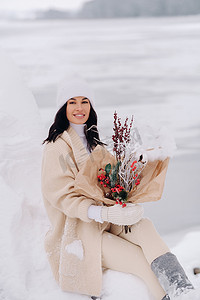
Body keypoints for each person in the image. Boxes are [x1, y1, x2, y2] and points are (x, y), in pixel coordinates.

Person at [41, 76, 194, 300]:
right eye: (72, 102)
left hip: (107, 223)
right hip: (80, 233)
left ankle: (183, 290)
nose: (79, 107)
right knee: (139, 259)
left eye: (85, 101)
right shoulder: (56, 148)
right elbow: (62, 197)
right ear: (63, 107)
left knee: (144, 226)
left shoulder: (95, 143)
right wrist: (103, 212)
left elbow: (115, 179)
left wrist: (140, 163)